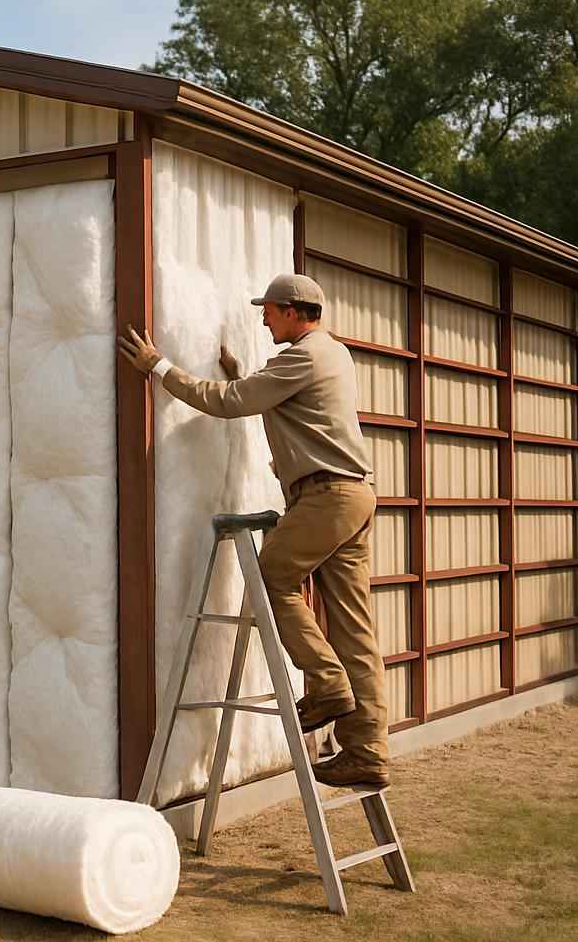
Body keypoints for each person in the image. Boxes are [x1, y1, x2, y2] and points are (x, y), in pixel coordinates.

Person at [116, 273, 389, 788]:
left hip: (326, 497)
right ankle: (367, 751)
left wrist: (159, 367)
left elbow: (228, 402)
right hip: (350, 495)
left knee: (270, 581)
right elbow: (280, 403)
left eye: (269, 310)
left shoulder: (303, 356)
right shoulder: (332, 353)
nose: (263, 319)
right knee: (354, 631)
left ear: (293, 311)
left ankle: (327, 683)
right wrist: (243, 375)